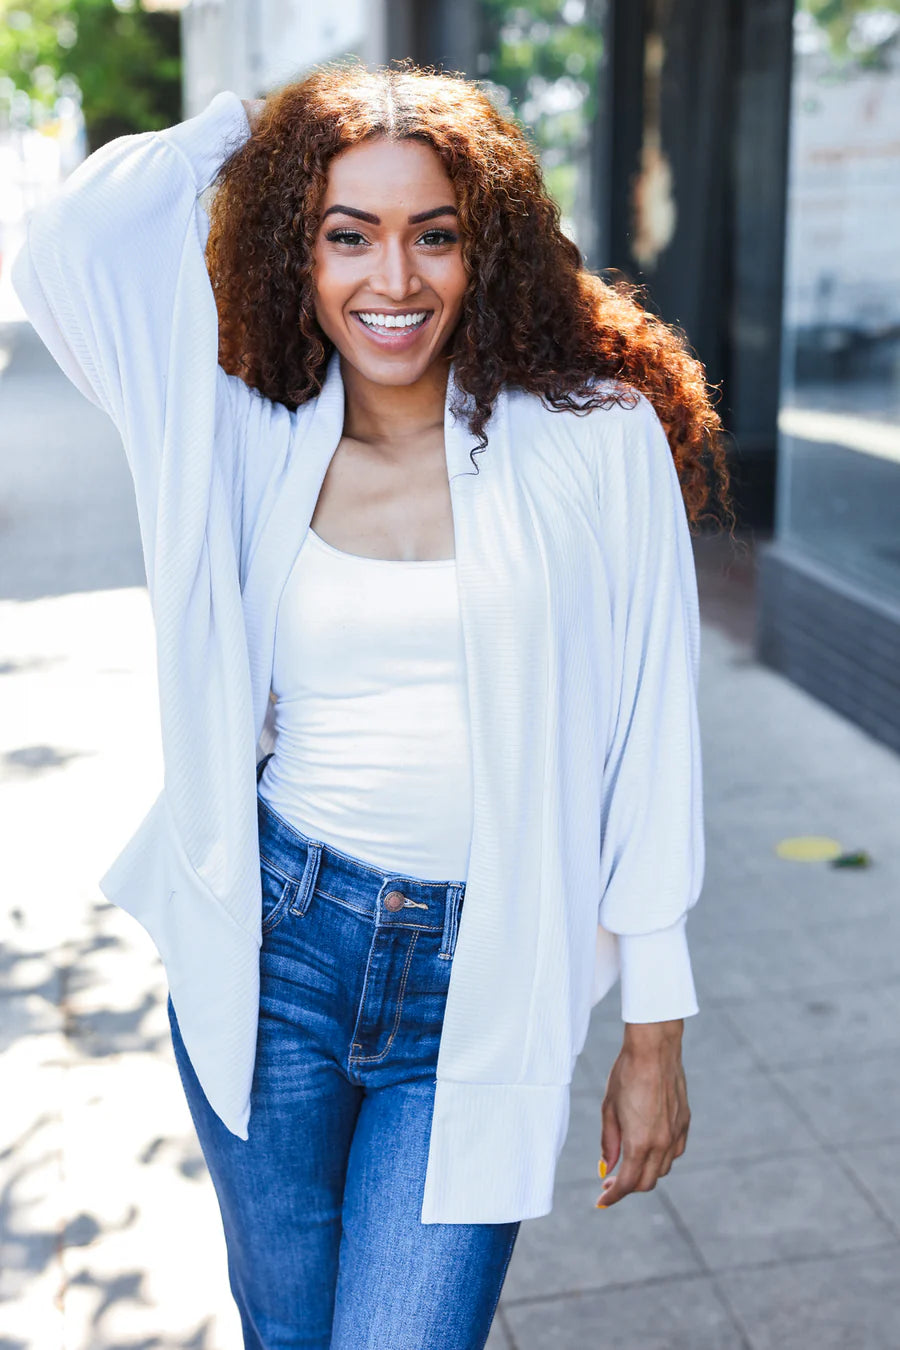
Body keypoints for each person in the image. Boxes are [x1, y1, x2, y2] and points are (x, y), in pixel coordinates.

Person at [13, 58, 732, 1350]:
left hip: (485, 971)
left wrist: (653, 1033)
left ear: (486, 249)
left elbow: (653, 748)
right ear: (299, 244)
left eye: (433, 235)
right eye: (349, 234)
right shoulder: (240, 428)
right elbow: (67, 241)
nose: (392, 281)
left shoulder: (595, 440)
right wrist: (259, 118)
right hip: (276, 945)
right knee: (289, 1334)